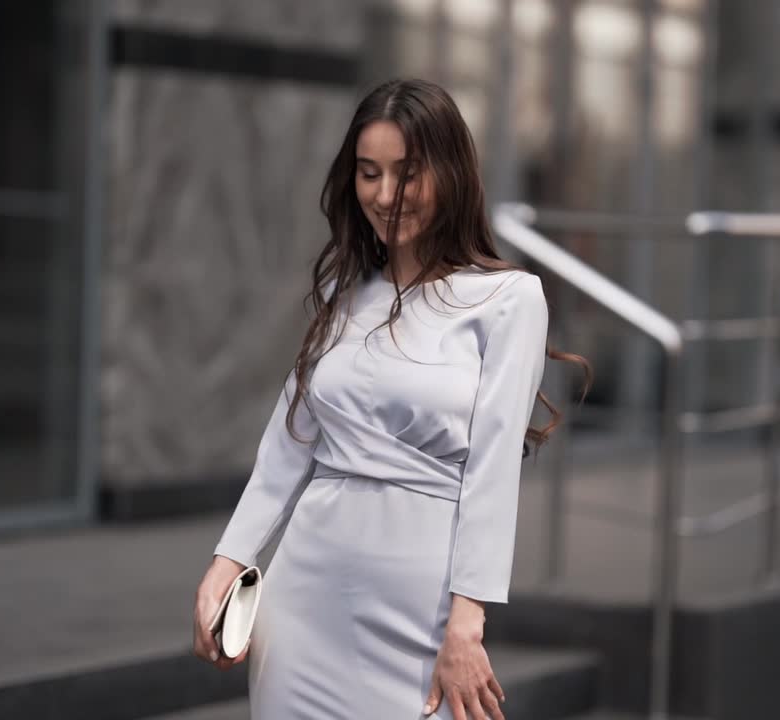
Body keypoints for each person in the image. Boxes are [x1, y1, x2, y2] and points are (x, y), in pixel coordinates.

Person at [191, 78, 591, 719]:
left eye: (406, 174)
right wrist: (228, 559)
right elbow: (288, 445)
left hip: (423, 610)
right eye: (368, 173)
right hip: (303, 603)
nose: (384, 195)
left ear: (452, 172)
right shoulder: (339, 294)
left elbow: (491, 475)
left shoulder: (509, 300)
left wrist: (468, 622)